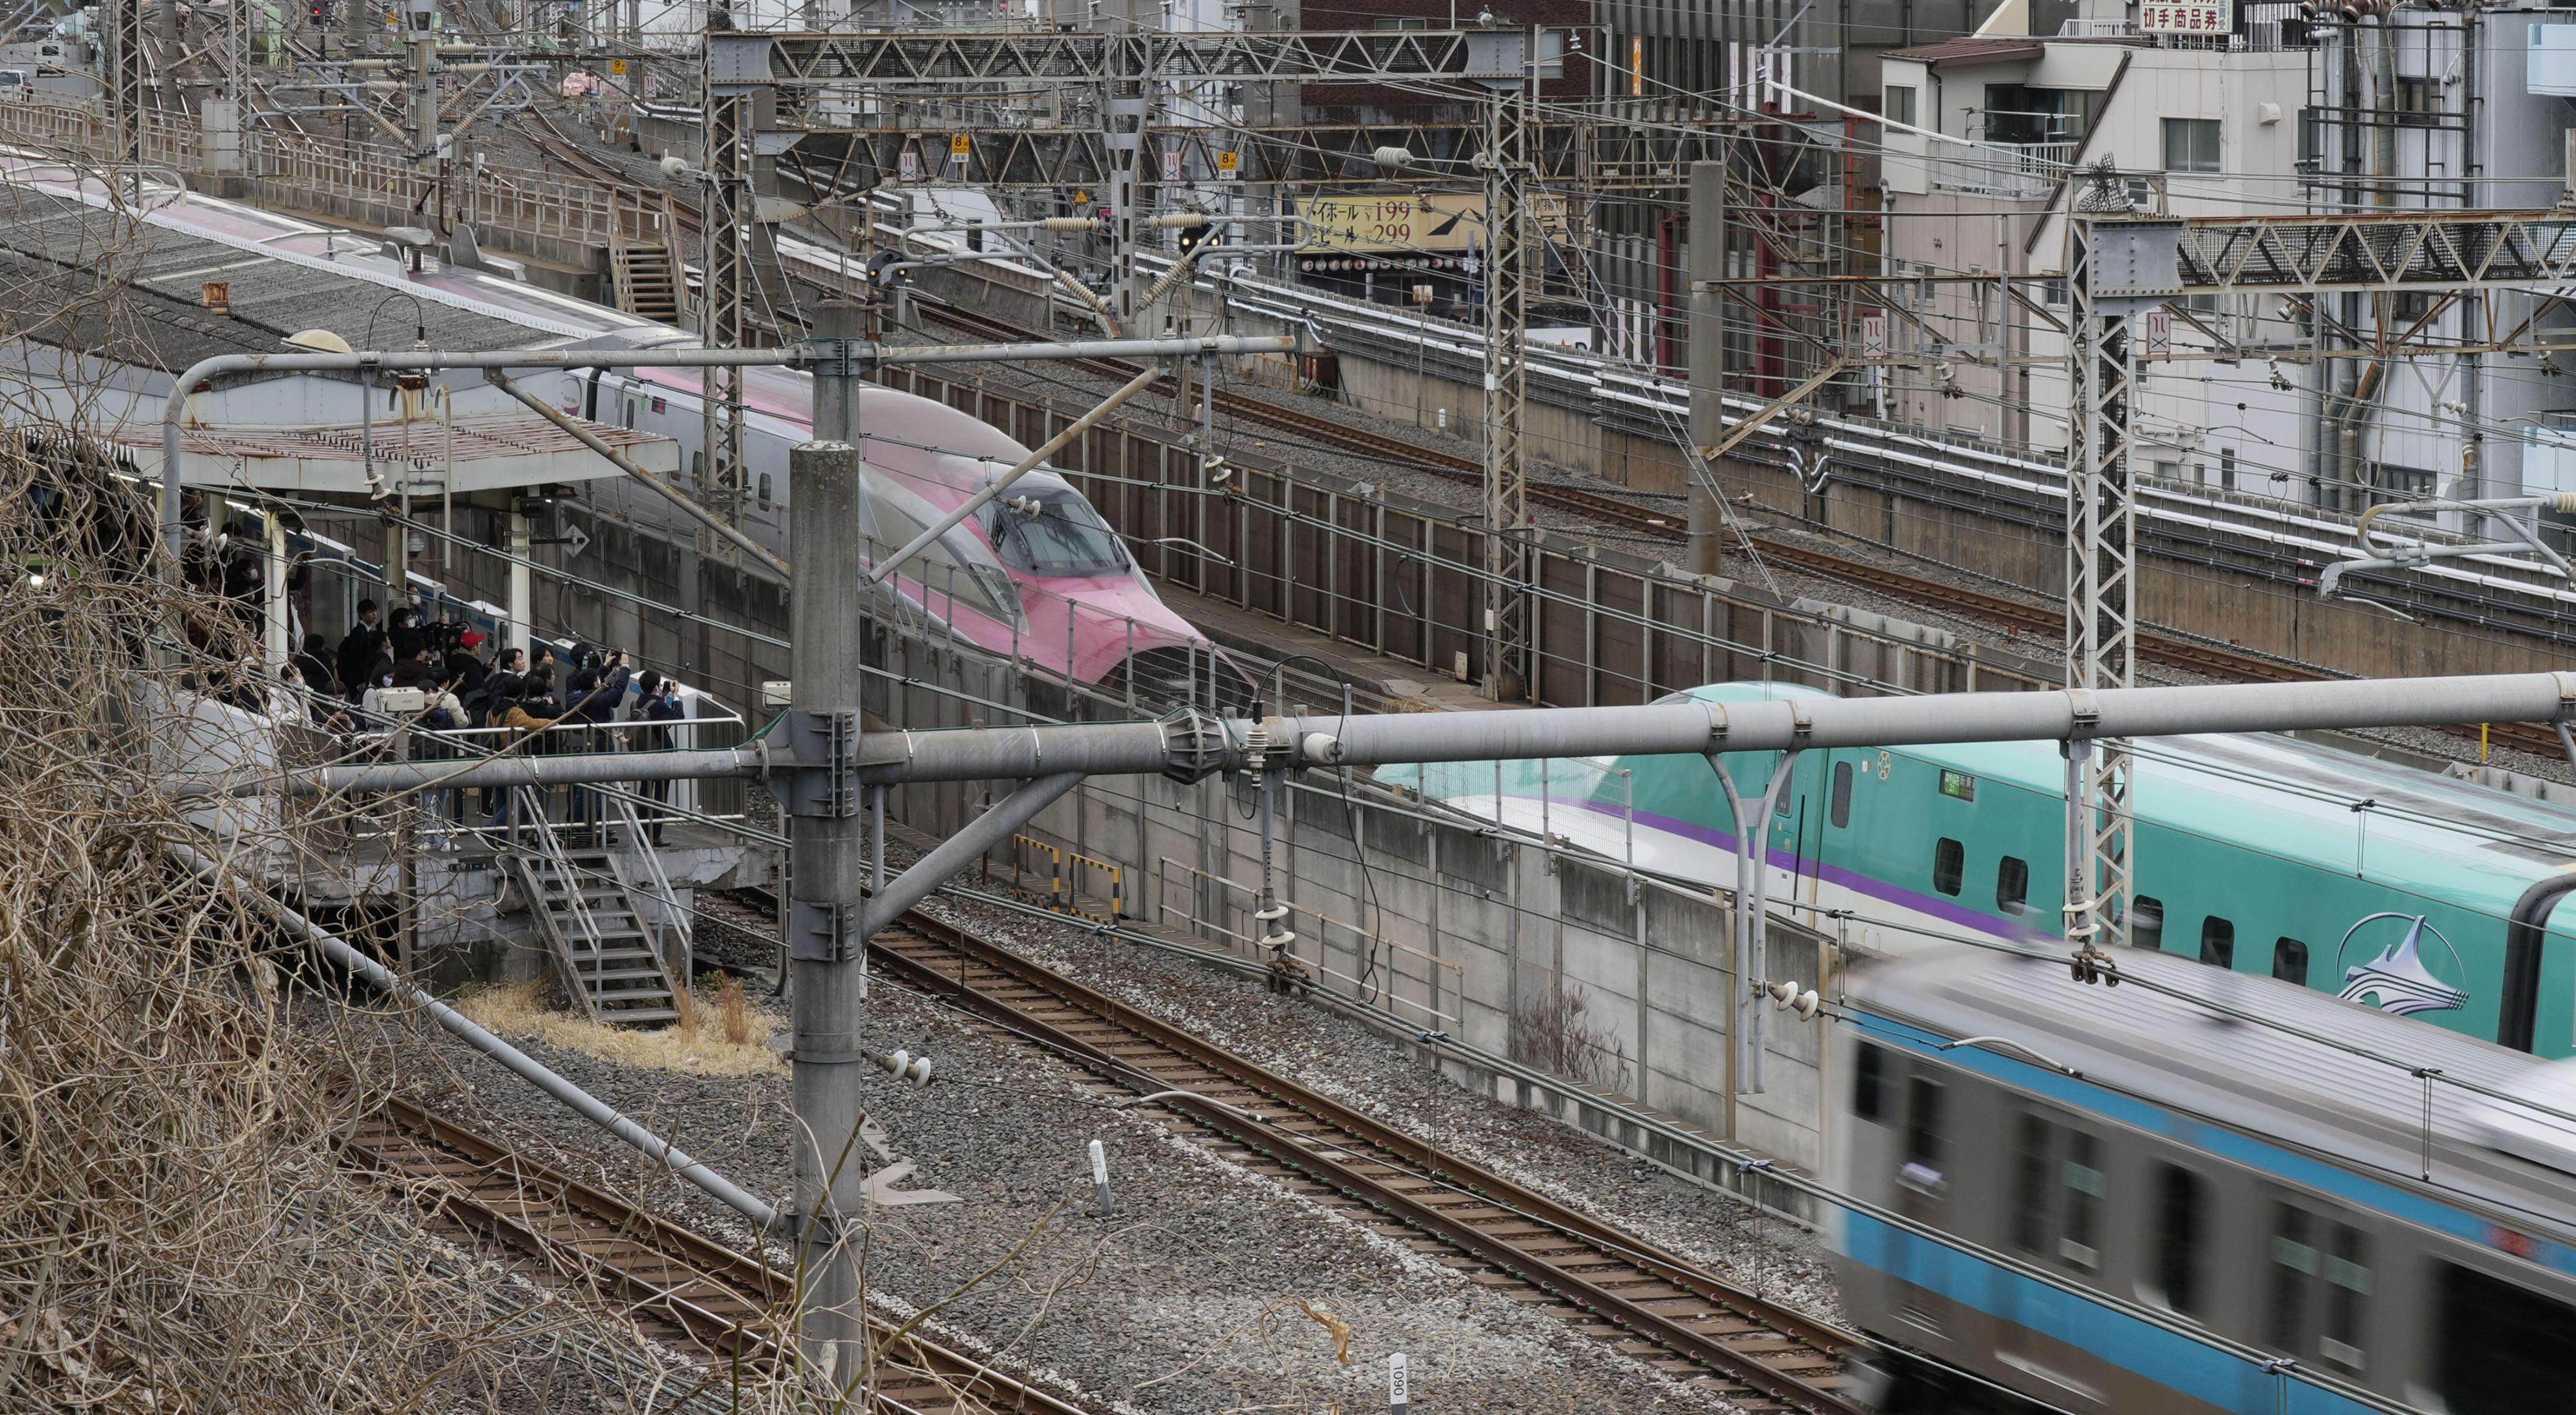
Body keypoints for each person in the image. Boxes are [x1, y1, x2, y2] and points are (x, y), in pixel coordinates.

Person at [632, 671, 685, 845]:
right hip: (660, 755)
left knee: (644, 793)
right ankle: (655, 836)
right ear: (656, 687)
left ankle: (641, 833)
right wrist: (676, 699)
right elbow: (678, 719)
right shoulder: (658, 706)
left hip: (644, 754)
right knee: (660, 796)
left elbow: (656, 710)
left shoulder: (638, 701)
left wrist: (663, 696)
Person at [335, 599, 382, 702]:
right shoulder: (359, 633)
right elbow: (356, 659)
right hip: (358, 681)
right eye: (370, 612)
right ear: (362, 614)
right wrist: (360, 681)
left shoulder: (366, 631)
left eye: (375, 611)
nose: (375, 614)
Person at [292, 632, 337, 699]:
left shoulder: (300, 659)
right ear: (321, 646)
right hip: (322, 696)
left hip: (303, 694)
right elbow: (330, 679)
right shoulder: (325, 660)